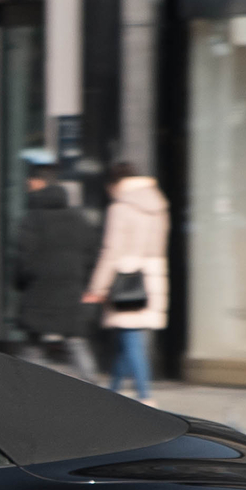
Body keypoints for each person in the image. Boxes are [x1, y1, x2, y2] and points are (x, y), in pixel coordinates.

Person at [85, 163, 171, 401]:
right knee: (128, 340)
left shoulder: (121, 207)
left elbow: (111, 250)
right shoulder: (159, 204)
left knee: (131, 341)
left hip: (126, 280)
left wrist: (98, 287)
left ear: (115, 184)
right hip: (150, 278)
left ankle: (146, 397)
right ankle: (112, 395)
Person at [14, 170, 97, 379]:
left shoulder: (32, 219)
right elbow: (91, 256)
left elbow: (23, 259)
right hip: (70, 292)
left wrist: (22, 283)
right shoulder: (79, 219)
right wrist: (83, 282)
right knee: (76, 341)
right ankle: (93, 386)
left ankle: (26, 387)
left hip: (38, 292)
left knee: (33, 346)